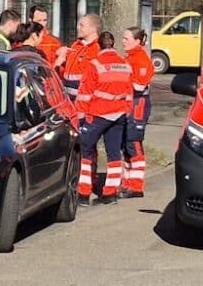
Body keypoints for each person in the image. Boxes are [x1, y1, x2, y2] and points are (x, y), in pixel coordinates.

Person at [74, 30, 133, 206]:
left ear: (99, 45)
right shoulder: (125, 65)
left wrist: (80, 118)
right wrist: (126, 111)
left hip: (97, 114)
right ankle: (110, 193)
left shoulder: (95, 64)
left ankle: (83, 193)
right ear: (113, 45)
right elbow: (130, 93)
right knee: (114, 153)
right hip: (119, 115)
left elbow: (85, 94)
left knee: (84, 150)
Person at [121, 25, 155, 198]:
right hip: (129, 104)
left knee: (134, 142)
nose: (123, 41)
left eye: (126, 38)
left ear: (137, 41)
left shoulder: (141, 60)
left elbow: (139, 86)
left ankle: (136, 186)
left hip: (138, 104)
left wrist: (121, 82)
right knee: (127, 143)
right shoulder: (130, 58)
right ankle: (126, 182)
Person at [57, 13, 102, 101]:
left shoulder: (98, 49)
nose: (78, 28)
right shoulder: (75, 45)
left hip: (86, 101)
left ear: (93, 28)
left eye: (82, 25)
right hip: (68, 100)